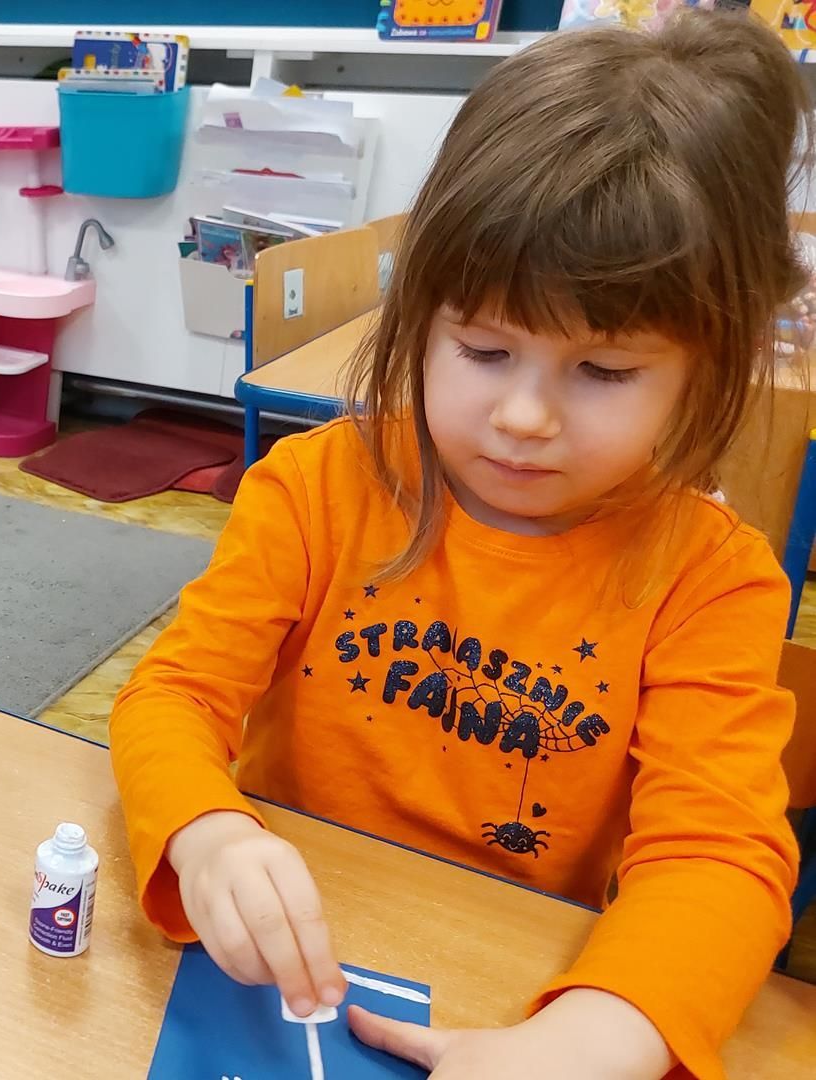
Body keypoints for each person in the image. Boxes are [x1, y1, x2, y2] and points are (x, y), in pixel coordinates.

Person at [110, 11, 808, 1078]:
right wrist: (206, 832)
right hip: (288, 947)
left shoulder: (710, 580)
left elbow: (719, 858)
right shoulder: (314, 488)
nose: (524, 417)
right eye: (483, 350)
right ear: (420, 316)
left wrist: (588, 1042)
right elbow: (173, 696)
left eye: (603, 372)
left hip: (515, 980)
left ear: (706, 367)